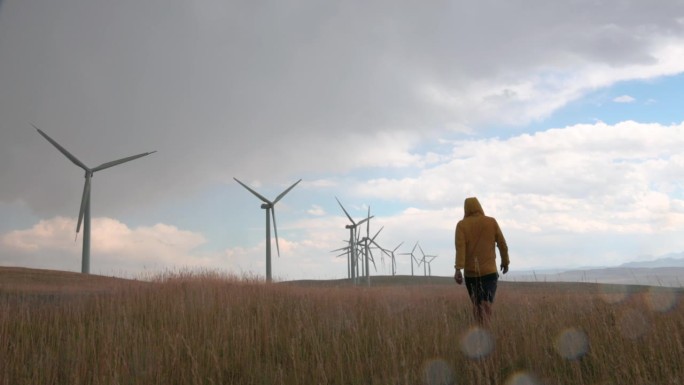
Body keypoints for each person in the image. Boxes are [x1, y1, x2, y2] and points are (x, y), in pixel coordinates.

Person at [454, 197, 509, 325]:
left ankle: (480, 329)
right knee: (486, 304)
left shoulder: (461, 225)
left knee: (477, 305)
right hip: (489, 273)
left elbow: (460, 248)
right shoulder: (491, 222)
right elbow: (502, 243)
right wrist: (505, 261)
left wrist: (458, 269)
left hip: (471, 274)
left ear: (465, 209)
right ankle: (486, 329)